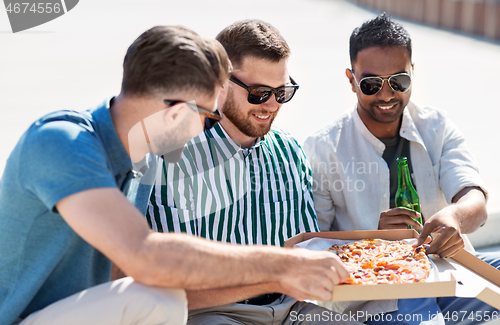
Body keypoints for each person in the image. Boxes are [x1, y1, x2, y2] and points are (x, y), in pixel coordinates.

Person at [0, 25, 348, 325]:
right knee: (157, 299)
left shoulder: (144, 160)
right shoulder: (61, 141)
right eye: (209, 117)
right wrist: (280, 265)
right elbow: (144, 255)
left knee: (159, 292)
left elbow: (125, 273)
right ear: (176, 113)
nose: (204, 132)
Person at [145, 20, 363, 325]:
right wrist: (274, 279)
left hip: (294, 310)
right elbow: (164, 286)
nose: (272, 105)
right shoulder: (170, 158)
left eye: (282, 92)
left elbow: (305, 248)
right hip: (212, 313)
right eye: (259, 92)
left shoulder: (289, 151)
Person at [304, 13, 500, 325]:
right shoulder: (323, 148)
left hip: (449, 274)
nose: (386, 95)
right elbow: (313, 246)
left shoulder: (435, 126)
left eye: (399, 81)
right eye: (371, 84)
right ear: (351, 80)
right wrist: (375, 243)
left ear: (413, 73)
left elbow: (473, 199)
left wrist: (455, 217)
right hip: (381, 293)